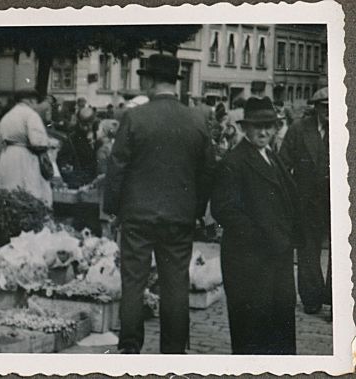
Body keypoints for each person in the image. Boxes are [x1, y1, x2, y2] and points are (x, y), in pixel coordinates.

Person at [104, 54, 214, 354]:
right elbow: (207, 171)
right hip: (179, 217)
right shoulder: (197, 119)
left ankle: (129, 348)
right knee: (176, 285)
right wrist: (196, 210)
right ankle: (174, 352)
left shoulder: (134, 118)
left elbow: (117, 167)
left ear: (150, 81)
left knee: (133, 283)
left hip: (138, 215)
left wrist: (113, 208)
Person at [211, 96, 301, 354]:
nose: (264, 131)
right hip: (249, 262)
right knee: (252, 333)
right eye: (257, 126)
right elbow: (224, 210)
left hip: (275, 259)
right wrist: (266, 237)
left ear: (275, 128)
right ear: (245, 128)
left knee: (278, 328)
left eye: (269, 126)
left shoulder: (271, 156)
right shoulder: (234, 162)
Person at [279, 87, 331, 317]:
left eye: (332, 106)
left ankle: (337, 299)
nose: (329, 111)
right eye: (324, 107)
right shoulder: (299, 130)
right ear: (315, 107)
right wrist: (291, 196)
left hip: (339, 202)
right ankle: (311, 297)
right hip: (307, 201)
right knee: (308, 250)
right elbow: (282, 165)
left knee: (342, 252)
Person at [0, 88, 52, 206]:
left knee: (10, 192)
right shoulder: (31, 115)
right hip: (24, 157)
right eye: (36, 102)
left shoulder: (7, 117)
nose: (36, 105)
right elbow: (38, 142)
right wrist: (49, 143)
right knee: (28, 192)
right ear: (30, 100)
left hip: (7, 157)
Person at [57, 107, 98, 189]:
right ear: (79, 122)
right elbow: (62, 162)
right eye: (84, 124)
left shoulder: (98, 136)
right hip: (80, 182)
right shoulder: (72, 139)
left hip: (96, 182)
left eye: (89, 124)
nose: (87, 127)